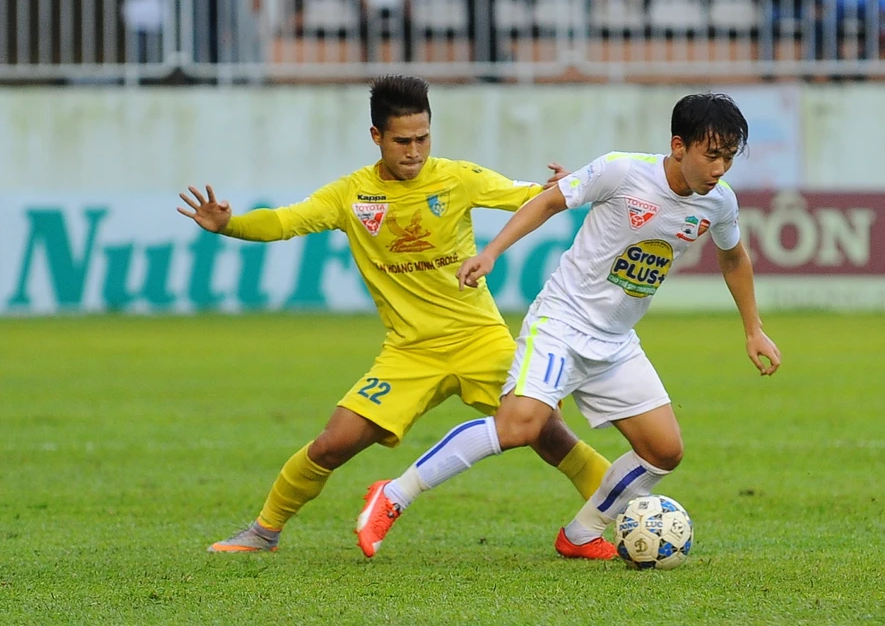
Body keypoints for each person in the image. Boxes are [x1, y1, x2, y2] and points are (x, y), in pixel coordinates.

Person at [177, 75, 611, 553]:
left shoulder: (457, 178)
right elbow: (285, 221)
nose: (414, 151)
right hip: (409, 352)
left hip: (480, 340)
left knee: (548, 434)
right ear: (376, 136)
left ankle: (621, 520)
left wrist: (566, 186)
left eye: (423, 138)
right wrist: (230, 225)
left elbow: (533, 197)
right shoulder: (350, 194)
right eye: (402, 141)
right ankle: (263, 532)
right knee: (332, 444)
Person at [355, 93, 782, 560]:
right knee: (519, 426)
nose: (720, 169)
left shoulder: (718, 203)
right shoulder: (623, 171)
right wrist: (491, 252)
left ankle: (581, 534)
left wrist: (753, 329)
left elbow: (734, 258)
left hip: (616, 342)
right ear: (679, 146)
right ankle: (394, 494)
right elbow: (548, 203)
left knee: (664, 451)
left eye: (728, 158)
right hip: (561, 322)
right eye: (711, 155)